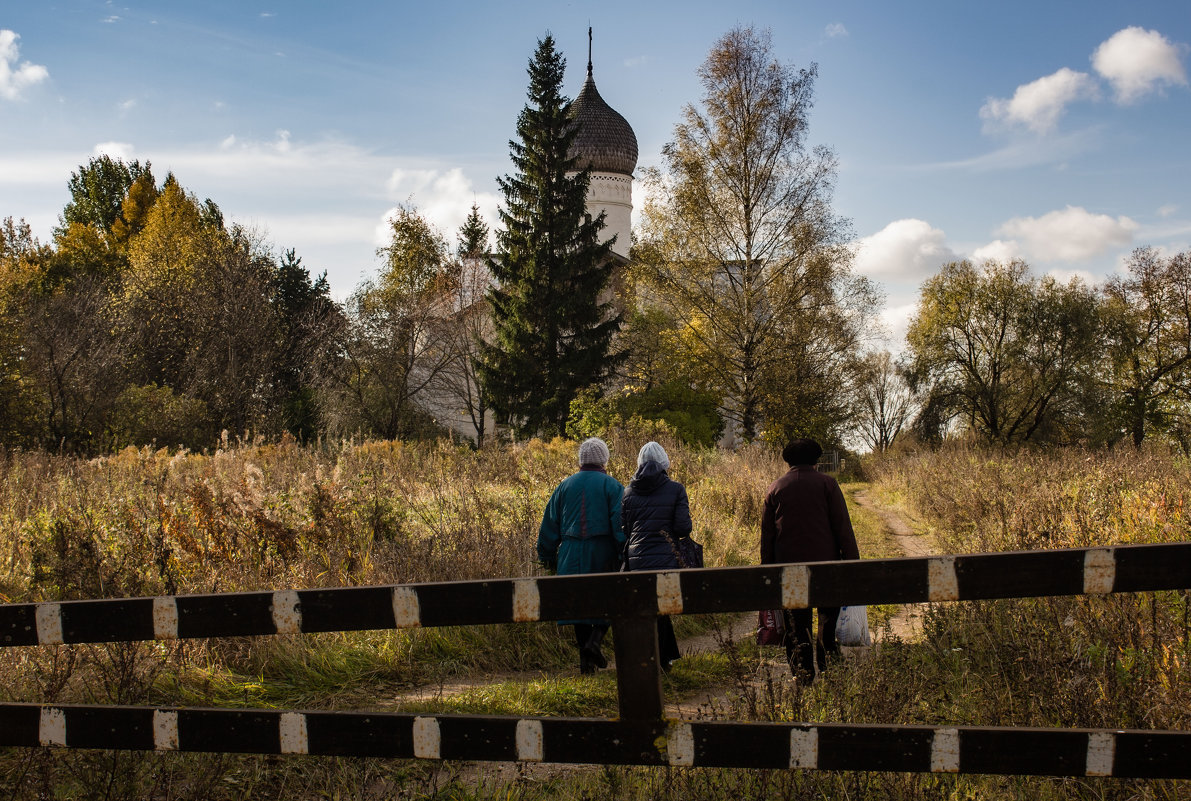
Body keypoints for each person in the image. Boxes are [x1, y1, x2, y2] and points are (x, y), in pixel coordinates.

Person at [760, 438, 860, 683]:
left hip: (789, 567)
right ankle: (828, 667)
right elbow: (842, 527)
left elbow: (767, 535)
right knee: (827, 618)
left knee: (797, 622)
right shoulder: (828, 484)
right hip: (826, 565)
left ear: (788, 460)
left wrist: (768, 569)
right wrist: (852, 563)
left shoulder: (776, 488)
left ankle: (802, 674)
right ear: (816, 460)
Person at [538, 437, 625, 674]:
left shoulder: (564, 486)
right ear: (604, 460)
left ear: (581, 460)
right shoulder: (612, 486)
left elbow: (549, 524)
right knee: (608, 600)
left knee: (577, 606)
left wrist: (547, 556)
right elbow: (620, 525)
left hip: (570, 552)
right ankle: (595, 641)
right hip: (602, 552)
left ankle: (586, 664)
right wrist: (623, 552)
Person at [621, 441, 691, 672]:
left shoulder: (628, 491)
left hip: (636, 559)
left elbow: (625, 530)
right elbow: (683, 528)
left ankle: (660, 658)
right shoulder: (676, 489)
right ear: (665, 463)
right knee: (659, 609)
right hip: (666, 557)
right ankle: (663, 659)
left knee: (649, 609)